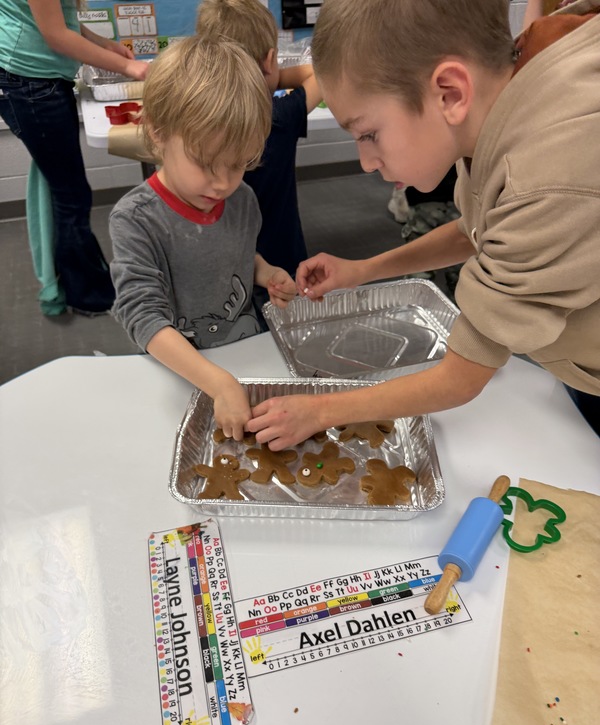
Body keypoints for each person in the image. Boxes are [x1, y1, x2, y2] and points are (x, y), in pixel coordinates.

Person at [247, 0, 600, 446]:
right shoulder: (503, 105)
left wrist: (318, 410)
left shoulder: (542, 177)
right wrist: (363, 269)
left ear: (450, 93)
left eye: (368, 134)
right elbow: (478, 232)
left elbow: (462, 375)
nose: (366, 162)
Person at [109, 35, 296, 441]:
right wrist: (218, 383)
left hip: (241, 355)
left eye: (239, 164)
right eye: (207, 164)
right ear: (158, 132)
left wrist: (264, 272)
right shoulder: (136, 220)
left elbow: (237, 253)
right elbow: (143, 317)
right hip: (178, 372)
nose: (223, 183)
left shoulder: (241, 199)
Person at [0, 0, 149, 315]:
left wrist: (103, 44)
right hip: (31, 82)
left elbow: (59, 18)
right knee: (71, 196)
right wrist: (128, 67)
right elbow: (56, 35)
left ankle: (76, 280)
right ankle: (87, 294)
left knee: (66, 190)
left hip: (37, 78)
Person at [195, 0, 322, 284]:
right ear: (270, 59)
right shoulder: (279, 117)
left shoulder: (199, 121)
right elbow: (320, 75)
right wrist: (265, 78)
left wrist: (245, 77)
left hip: (219, 263)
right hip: (281, 261)